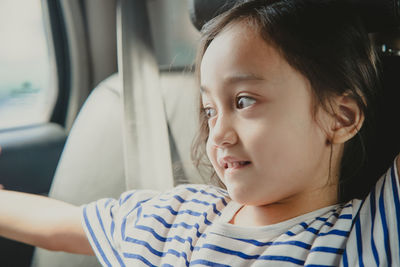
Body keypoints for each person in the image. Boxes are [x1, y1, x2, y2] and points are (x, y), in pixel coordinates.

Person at [0, 0, 399, 266]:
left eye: (244, 101)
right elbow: (60, 225)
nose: (218, 133)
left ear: (341, 117)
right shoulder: (172, 217)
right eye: (209, 110)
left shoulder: (359, 238)